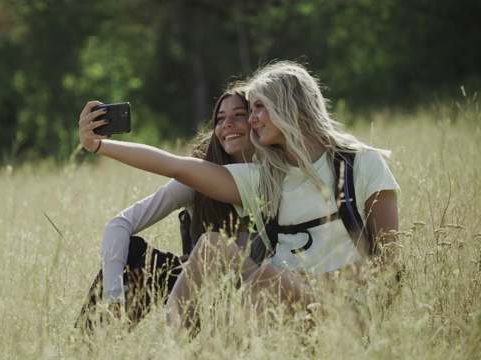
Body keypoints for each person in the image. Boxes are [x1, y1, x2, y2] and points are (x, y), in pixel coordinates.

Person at [77, 60, 400, 330]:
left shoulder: (361, 164)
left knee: (257, 287)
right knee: (214, 248)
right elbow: (175, 165)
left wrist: (317, 282)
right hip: (276, 297)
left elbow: (388, 262)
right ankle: (179, 349)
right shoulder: (263, 179)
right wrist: (100, 145)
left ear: (291, 106)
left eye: (260, 107)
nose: (253, 118)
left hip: (342, 308)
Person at [76, 90, 268, 329]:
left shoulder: (278, 178)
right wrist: (114, 296)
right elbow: (119, 224)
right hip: (200, 295)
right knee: (137, 253)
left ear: (256, 121)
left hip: (255, 295)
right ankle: (89, 347)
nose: (228, 124)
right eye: (220, 119)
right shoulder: (198, 179)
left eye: (239, 115)